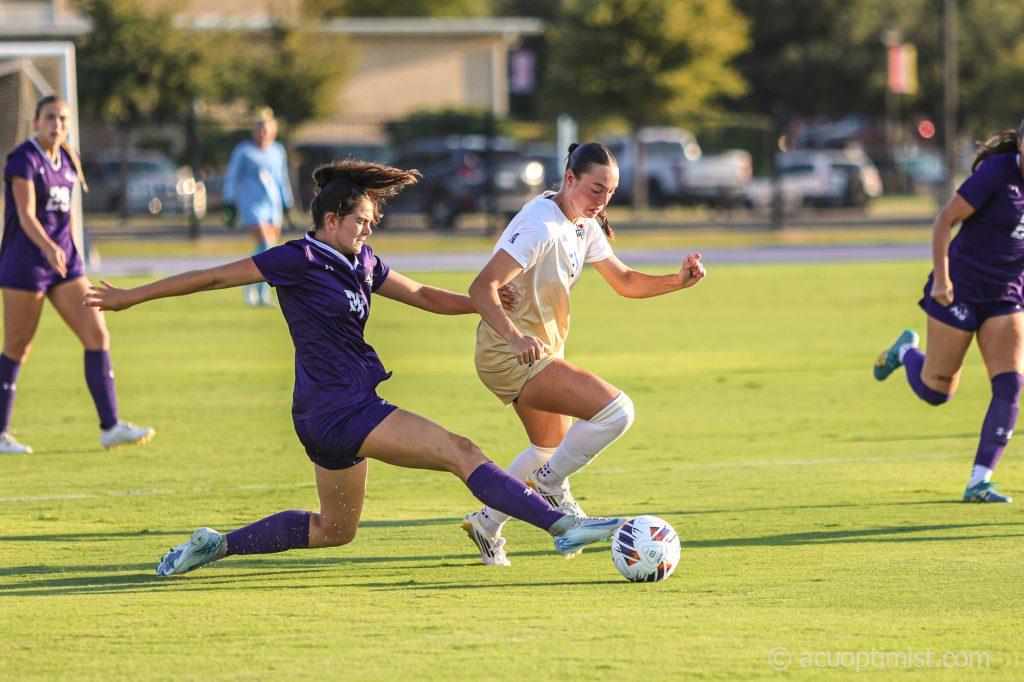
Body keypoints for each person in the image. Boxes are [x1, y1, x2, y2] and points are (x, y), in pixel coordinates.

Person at [84, 160, 627, 576]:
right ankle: (561, 525)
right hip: (341, 407)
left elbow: (421, 294)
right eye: (361, 222)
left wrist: (479, 303)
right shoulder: (297, 258)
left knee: (334, 529)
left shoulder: (362, 261)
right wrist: (131, 296)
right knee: (461, 452)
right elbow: (211, 277)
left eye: (371, 222)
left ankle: (217, 544)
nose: (369, 230)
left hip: (326, 412)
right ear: (331, 220)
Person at [461, 143, 707, 566]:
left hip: (536, 351)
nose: (602, 201)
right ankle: (552, 486)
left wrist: (677, 281)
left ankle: (486, 524)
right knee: (617, 412)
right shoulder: (541, 225)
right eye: (596, 190)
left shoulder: (581, 223)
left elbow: (624, 280)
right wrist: (515, 337)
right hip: (509, 354)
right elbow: (482, 287)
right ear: (570, 178)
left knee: (547, 449)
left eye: (610, 193)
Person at [874, 119, 1024, 504]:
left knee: (1010, 384)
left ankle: (980, 482)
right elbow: (944, 221)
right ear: (1021, 144)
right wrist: (942, 280)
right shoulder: (997, 173)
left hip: (1006, 295)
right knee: (936, 392)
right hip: (960, 288)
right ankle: (905, 352)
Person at [0, 95, 154, 455]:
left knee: (97, 334)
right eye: (50, 117)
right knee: (18, 346)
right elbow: (25, 215)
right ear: (36, 121)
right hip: (25, 263)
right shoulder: (24, 158)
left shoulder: (68, 159)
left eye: (63, 119)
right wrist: (47, 246)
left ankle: (110, 427)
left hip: (64, 264)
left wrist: (70, 253)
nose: (57, 124)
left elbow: (66, 218)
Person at [223, 108, 294, 307]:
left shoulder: (277, 151)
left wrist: (287, 203)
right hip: (251, 203)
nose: (263, 132)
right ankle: (254, 287)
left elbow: (281, 178)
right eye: (260, 128)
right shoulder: (244, 151)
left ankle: (258, 289)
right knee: (265, 243)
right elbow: (232, 177)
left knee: (270, 249)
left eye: (267, 128)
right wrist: (229, 202)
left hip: (273, 204)